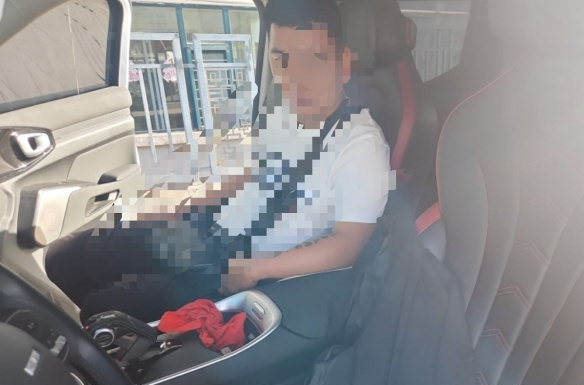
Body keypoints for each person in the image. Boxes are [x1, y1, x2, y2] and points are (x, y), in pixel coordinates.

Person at [45, 0, 393, 322]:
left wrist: (260, 267)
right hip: (202, 233)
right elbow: (243, 173)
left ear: (344, 62)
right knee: (65, 257)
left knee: (100, 311)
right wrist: (183, 206)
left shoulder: (362, 145)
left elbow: (348, 243)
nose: (293, 78)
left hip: (237, 270)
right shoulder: (282, 116)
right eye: (280, 59)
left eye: (312, 60)